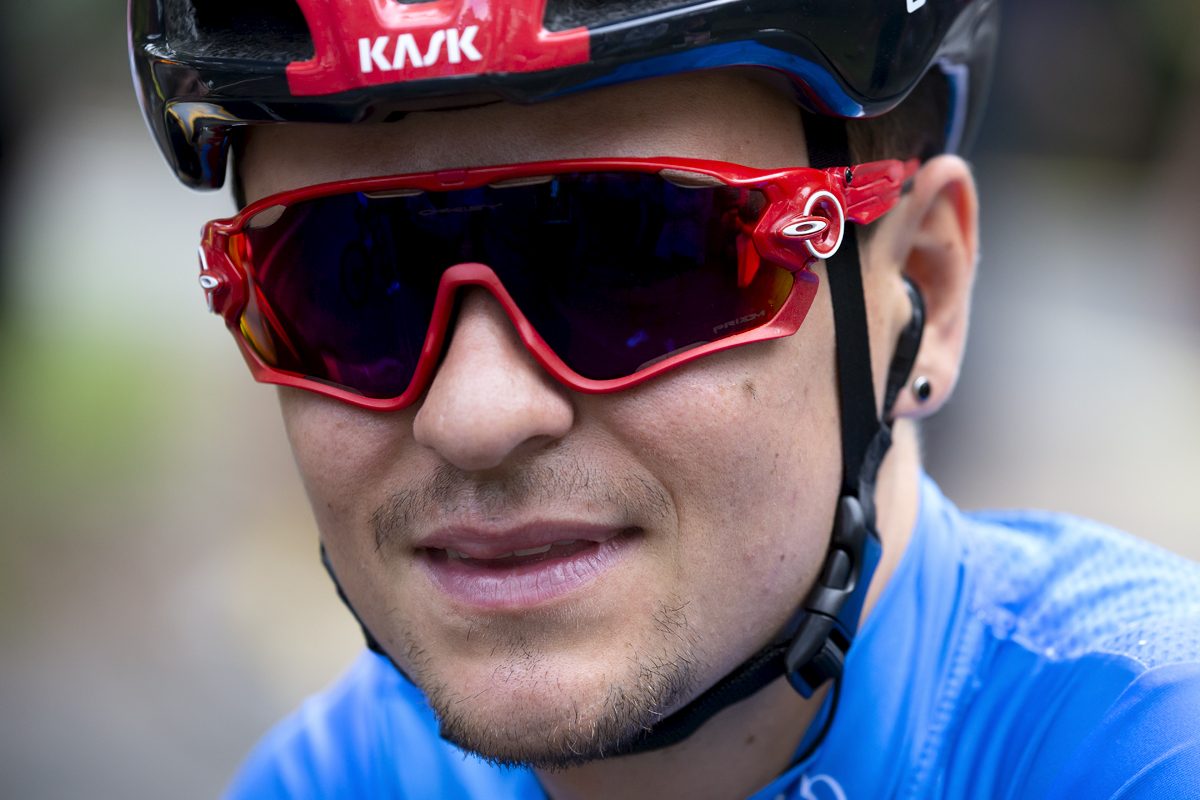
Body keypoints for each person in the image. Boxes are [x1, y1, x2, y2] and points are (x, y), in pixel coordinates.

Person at [130, 0, 1200, 797]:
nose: (473, 413)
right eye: (351, 279)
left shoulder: (1151, 745)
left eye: (636, 257)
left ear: (926, 281)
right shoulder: (323, 781)